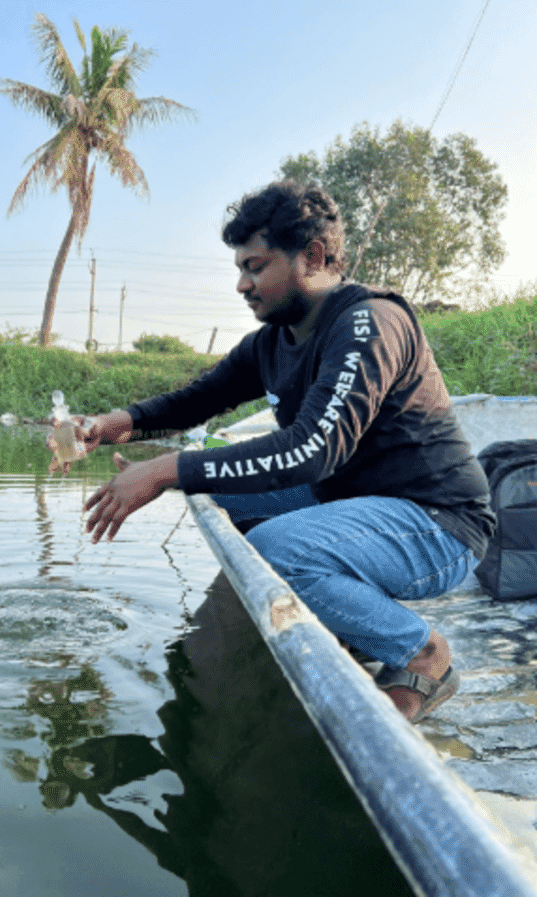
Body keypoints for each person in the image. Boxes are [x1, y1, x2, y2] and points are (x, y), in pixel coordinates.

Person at [79, 180, 495, 724]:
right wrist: (116, 424)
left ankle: (423, 654)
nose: (241, 284)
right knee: (223, 497)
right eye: (240, 269)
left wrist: (165, 470)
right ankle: (347, 623)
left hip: (436, 523)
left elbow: (312, 451)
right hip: (352, 501)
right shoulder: (273, 340)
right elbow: (198, 399)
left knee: (280, 547)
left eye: (255, 267)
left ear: (313, 257)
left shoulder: (369, 323)